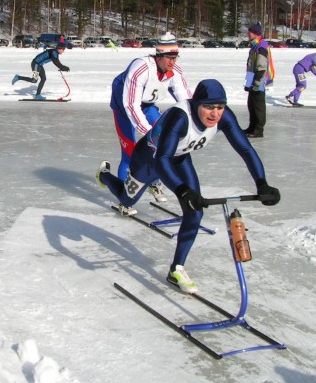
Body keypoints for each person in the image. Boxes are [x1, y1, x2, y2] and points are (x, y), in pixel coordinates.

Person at [96, 79, 280, 293]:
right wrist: (182, 191)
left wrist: (262, 183)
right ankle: (105, 175)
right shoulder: (180, 117)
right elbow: (161, 159)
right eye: (208, 107)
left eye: (219, 107)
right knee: (127, 200)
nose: (214, 114)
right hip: (149, 159)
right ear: (196, 104)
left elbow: (246, 150)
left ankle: (176, 268)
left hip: (179, 158)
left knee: (194, 211)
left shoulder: (225, 116)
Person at [109, 32, 191, 209]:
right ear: (159, 56)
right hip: (124, 107)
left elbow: (186, 101)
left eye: (175, 57)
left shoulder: (174, 71)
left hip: (147, 105)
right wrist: (148, 133)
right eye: (169, 57)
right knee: (130, 153)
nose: (172, 61)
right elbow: (131, 105)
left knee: (165, 141)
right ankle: (124, 199)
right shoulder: (141, 68)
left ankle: (153, 182)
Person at [243, 23, 271, 138]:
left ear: (256, 34)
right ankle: (252, 126)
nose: (248, 34)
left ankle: (259, 130)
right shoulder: (254, 46)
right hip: (253, 80)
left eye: (250, 32)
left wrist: (257, 82)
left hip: (259, 81)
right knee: (251, 104)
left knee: (258, 105)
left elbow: (261, 67)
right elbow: (251, 66)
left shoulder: (261, 47)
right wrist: (248, 83)